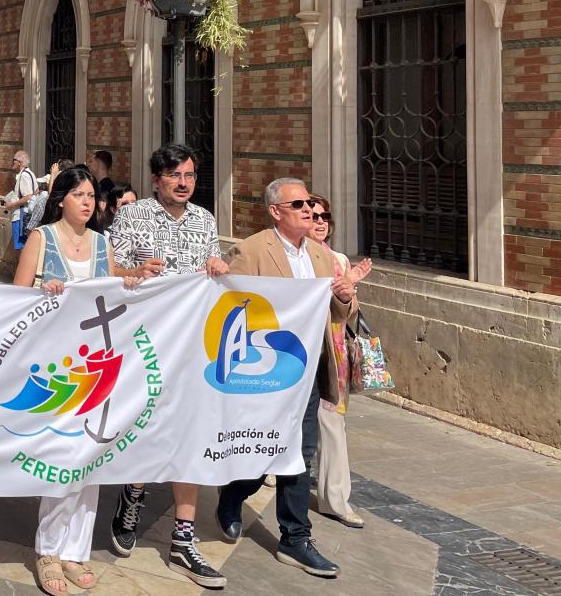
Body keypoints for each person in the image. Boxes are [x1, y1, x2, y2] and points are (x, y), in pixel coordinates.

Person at [216, 177, 359, 580]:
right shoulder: (252, 249)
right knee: (261, 452)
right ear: (276, 211)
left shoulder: (321, 255)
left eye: (311, 202)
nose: (310, 210)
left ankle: (295, 538)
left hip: (310, 371)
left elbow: (340, 311)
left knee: (301, 451)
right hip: (266, 374)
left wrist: (346, 297)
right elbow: (232, 304)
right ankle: (233, 493)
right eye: (299, 204)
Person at [107, 144, 229, 588]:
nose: (184, 182)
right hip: (146, 341)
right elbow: (110, 267)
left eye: (191, 175)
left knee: (191, 434)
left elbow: (214, 264)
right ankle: (134, 493)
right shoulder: (134, 215)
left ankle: (183, 536)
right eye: (176, 175)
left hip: (195, 344)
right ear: (157, 178)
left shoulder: (204, 219)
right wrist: (133, 272)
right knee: (146, 425)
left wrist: (217, 264)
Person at [12, 168, 116, 596]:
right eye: (78, 194)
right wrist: (42, 287)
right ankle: (49, 548)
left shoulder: (103, 243)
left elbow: (111, 294)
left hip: (96, 359)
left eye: (91, 195)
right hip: (56, 362)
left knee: (92, 454)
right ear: (60, 200)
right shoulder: (42, 239)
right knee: (62, 452)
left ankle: (77, 549)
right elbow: (16, 296)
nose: (87, 202)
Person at [308, 194, 371, 529]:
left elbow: (350, 314)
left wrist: (349, 291)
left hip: (333, 353)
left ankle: (336, 499)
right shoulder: (292, 258)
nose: (319, 222)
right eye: (313, 215)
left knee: (333, 424)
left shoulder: (341, 261)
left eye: (324, 217)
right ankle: (271, 469)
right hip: (297, 351)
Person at [7, 150, 40, 251]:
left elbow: (28, 196)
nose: (13, 162)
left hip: (21, 215)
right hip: (26, 214)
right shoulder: (30, 173)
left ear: (20, 163)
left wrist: (11, 204)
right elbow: (36, 191)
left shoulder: (24, 175)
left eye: (14, 160)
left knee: (23, 247)